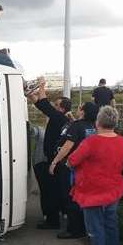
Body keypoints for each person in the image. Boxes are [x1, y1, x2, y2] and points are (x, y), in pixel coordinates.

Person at [67, 106, 123, 245]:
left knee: (95, 228)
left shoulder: (92, 141)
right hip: (113, 188)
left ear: (98, 122)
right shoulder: (121, 140)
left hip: (92, 191)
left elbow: (72, 160)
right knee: (111, 225)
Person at [49, 102, 99, 239]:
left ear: (83, 111)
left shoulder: (76, 126)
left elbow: (67, 146)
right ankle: (84, 227)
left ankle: (74, 230)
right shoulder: (94, 127)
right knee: (83, 198)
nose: (77, 109)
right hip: (88, 168)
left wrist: (54, 162)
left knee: (70, 197)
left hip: (72, 168)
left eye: (79, 107)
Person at [27, 81, 72, 229]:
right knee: (53, 190)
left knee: (50, 191)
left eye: (57, 105)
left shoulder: (59, 118)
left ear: (62, 109)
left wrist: (41, 86)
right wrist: (30, 95)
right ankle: (55, 216)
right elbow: (42, 106)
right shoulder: (60, 118)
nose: (54, 106)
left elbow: (45, 104)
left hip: (53, 161)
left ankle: (52, 220)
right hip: (54, 160)